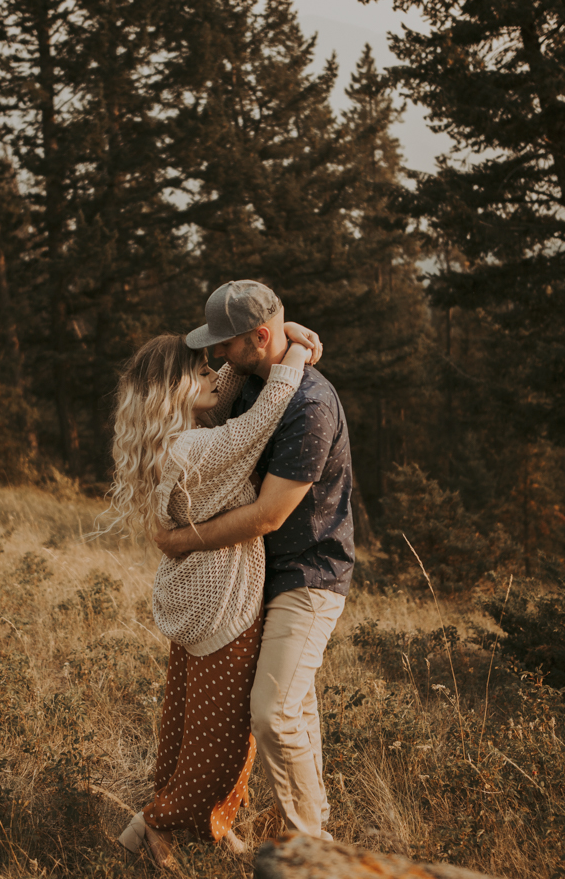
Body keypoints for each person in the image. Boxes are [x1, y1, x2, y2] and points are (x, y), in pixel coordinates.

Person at [106, 314, 320, 866]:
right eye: (200, 369)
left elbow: (222, 387)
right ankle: (160, 823)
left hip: (195, 597)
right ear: (177, 390)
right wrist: (293, 351)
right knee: (225, 742)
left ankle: (178, 827)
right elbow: (262, 418)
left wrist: (271, 330)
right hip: (223, 601)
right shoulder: (195, 451)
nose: (213, 372)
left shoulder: (174, 439)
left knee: (185, 722)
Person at [155, 279, 355, 843]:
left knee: (272, 711)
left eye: (224, 343)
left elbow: (269, 514)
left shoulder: (310, 407)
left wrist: (184, 540)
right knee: (297, 706)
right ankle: (311, 829)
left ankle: (306, 847)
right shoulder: (247, 381)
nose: (214, 354)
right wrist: (293, 340)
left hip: (307, 575)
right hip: (259, 571)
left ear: (257, 337)